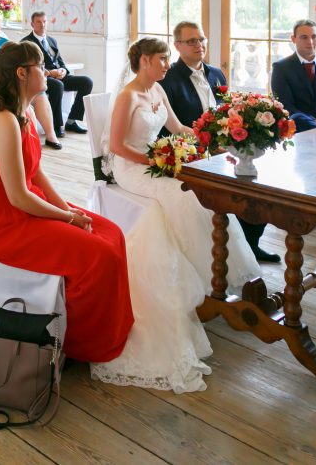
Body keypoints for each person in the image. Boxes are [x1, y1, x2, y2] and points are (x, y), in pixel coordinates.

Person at [92, 37, 262, 392]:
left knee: (204, 192)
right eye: (161, 58)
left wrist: (206, 144)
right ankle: (199, 276)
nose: (166, 64)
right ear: (142, 61)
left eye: (167, 58)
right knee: (184, 195)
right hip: (131, 167)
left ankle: (213, 276)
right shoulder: (128, 96)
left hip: (160, 160)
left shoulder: (157, 91)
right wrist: (159, 162)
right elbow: (118, 147)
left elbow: (176, 128)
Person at [0, 40, 133, 362]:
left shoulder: (25, 111)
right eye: (40, 67)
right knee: (101, 256)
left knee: (112, 233)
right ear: (21, 73)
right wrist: (67, 218)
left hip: (26, 206)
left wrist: (67, 209)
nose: (46, 72)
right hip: (4, 225)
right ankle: (81, 344)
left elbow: (37, 174)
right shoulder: (3, 120)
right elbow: (17, 197)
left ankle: (105, 329)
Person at [161, 21, 278, 263]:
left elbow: (227, 111)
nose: (199, 45)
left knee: (262, 181)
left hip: (223, 146)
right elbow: (167, 128)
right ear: (177, 45)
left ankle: (250, 244)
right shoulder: (168, 79)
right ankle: (232, 248)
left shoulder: (216, 73)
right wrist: (207, 146)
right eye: (191, 41)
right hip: (192, 151)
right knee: (239, 186)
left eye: (201, 39)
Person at [0, 10, 63, 148]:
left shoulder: (6, 42)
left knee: (39, 93)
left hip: (10, 80)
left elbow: (19, 64)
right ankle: (17, 135)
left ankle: (50, 135)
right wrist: (2, 77)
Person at [22, 10, 93, 135]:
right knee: (57, 85)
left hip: (59, 76)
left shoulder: (51, 40)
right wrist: (50, 73)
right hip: (42, 78)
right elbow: (29, 67)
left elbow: (61, 62)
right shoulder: (26, 42)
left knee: (86, 82)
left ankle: (72, 121)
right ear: (32, 24)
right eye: (38, 22)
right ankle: (56, 125)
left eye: (44, 21)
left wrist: (63, 71)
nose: (42, 25)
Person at [270, 19, 316, 133]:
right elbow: (287, 107)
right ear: (293, 39)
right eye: (304, 37)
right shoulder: (280, 68)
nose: (310, 42)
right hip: (298, 132)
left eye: (314, 36)